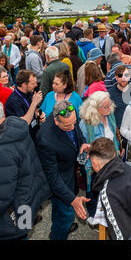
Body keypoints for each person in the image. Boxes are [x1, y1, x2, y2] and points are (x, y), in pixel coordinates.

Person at [0, 98, 50, 240]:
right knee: (23, 232)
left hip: (11, 213)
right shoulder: (15, 127)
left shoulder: (1, 150)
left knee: (17, 235)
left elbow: (1, 196)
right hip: (26, 203)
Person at [36, 100, 90, 240]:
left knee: (60, 213)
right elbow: (52, 178)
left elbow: (77, 131)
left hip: (70, 172)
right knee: (66, 214)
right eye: (67, 125)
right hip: (60, 181)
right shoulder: (45, 139)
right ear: (56, 121)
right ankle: (59, 234)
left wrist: (82, 142)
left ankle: (57, 228)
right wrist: (72, 200)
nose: (72, 127)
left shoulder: (69, 117)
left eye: (74, 122)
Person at [5, 70, 45, 141]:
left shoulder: (29, 93)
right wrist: (34, 103)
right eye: (33, 83)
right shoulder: (13, 100)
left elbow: (33, 110)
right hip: (23, 139)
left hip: (33, 135)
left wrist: (38, 114)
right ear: (23, 84)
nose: (36, 85)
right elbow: (23, 124)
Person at [79, 91, 122, 157]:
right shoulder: (86, 123)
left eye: (110, 104)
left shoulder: (110, 117)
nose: (110, 108)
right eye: (106, 106)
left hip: (112, 159)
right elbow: (82, 146)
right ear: (95, 108)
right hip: (96, 162)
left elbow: (114, 138)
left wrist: (117, 151)